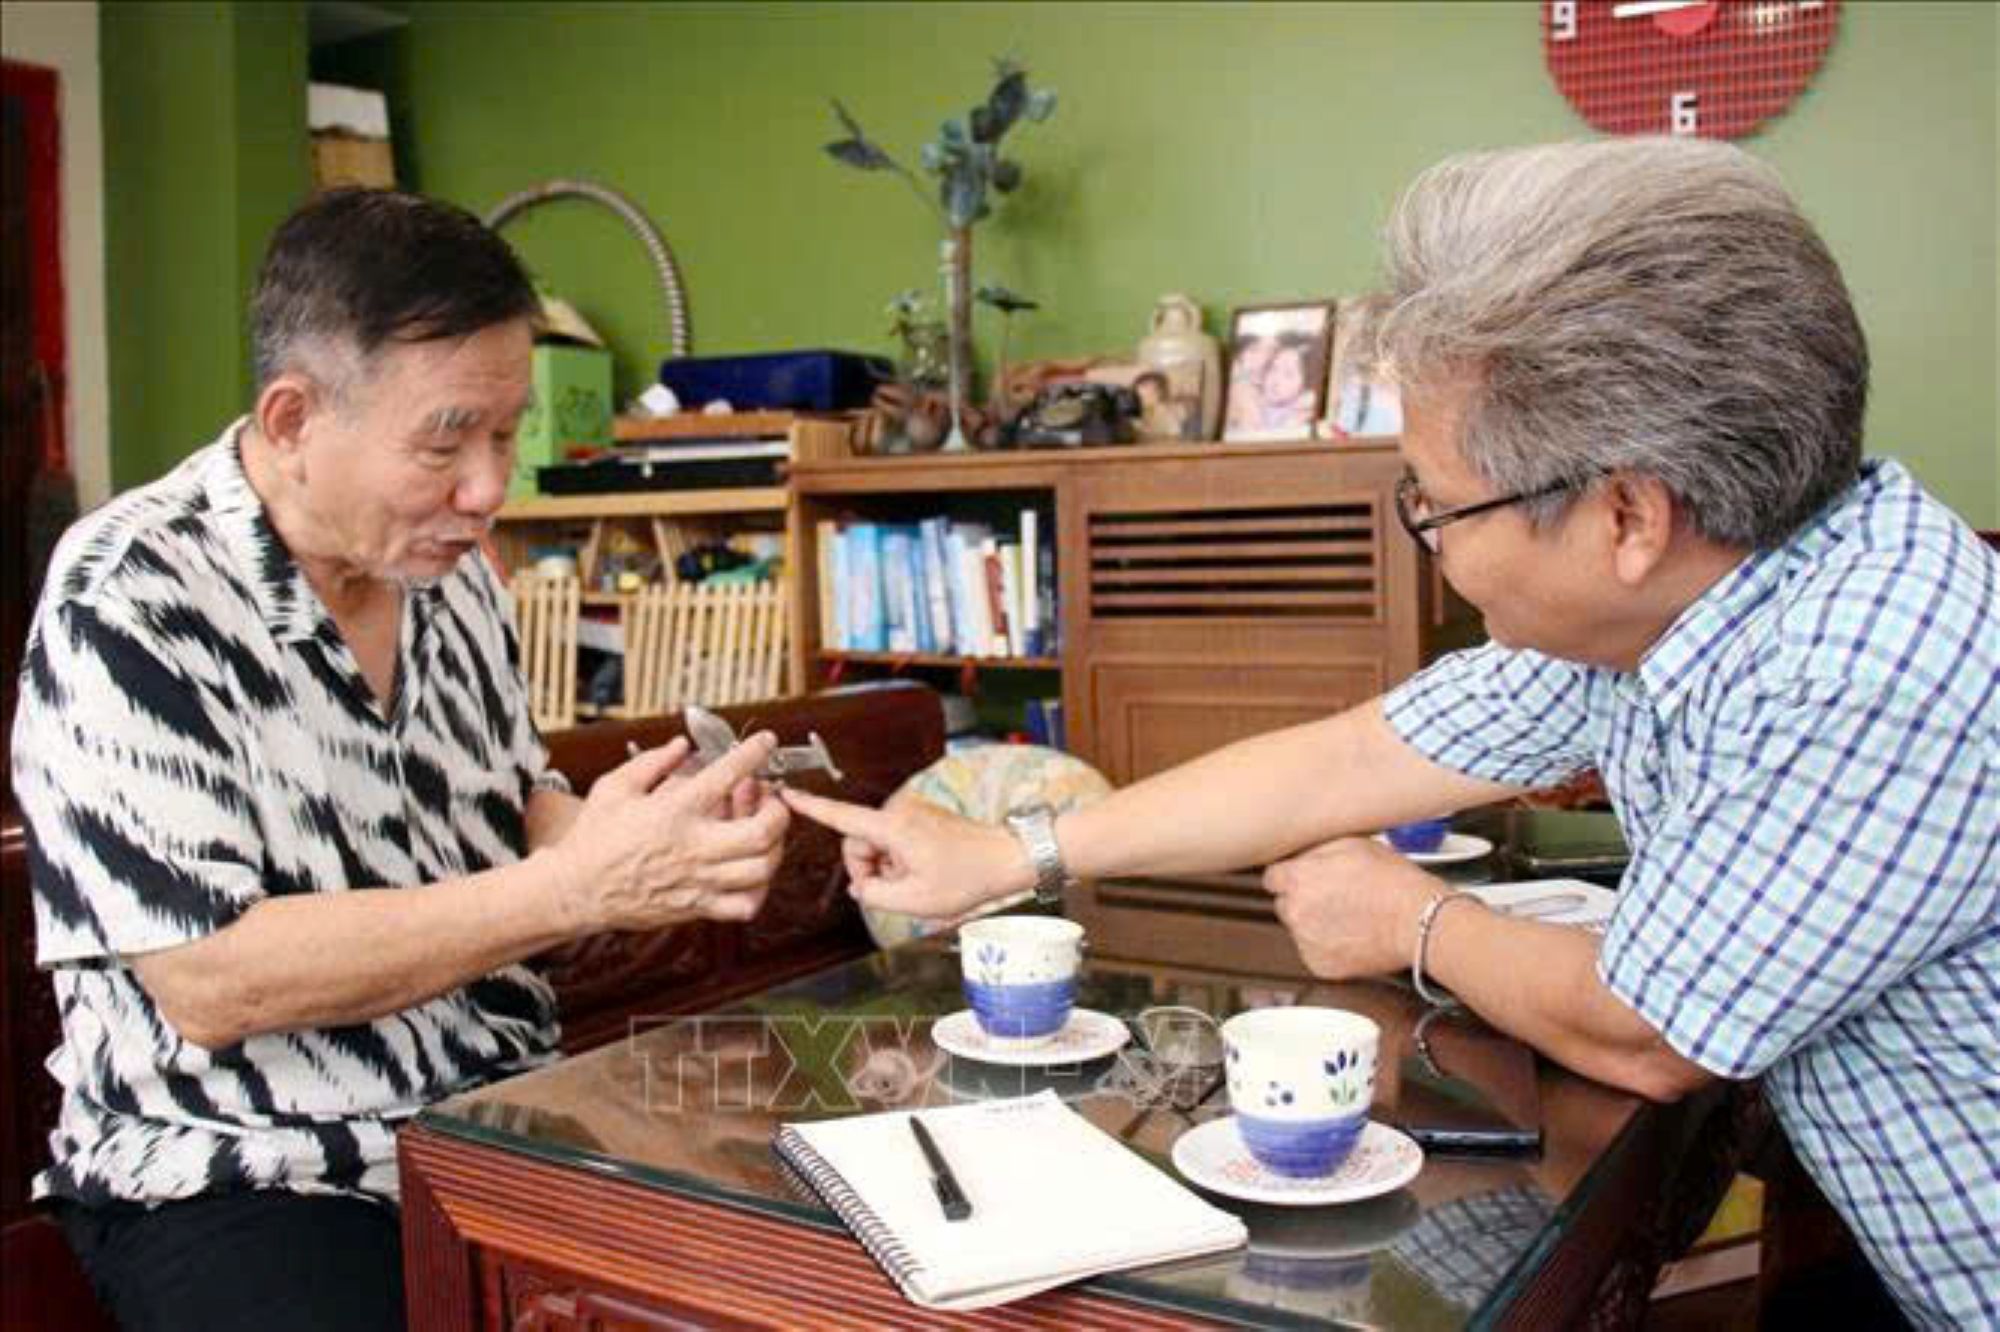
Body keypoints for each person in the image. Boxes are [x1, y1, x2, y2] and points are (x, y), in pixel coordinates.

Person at [783, 138, 1998, 1330]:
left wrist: (1413, 922)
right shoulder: (1690, 598)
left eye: (1435, 503)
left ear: (1627, 514)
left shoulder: (1860, 664)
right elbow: (1354, 757)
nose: (1431, 538)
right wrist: (1008, 855)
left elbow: (1649, 1028)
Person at [10, 188, 791, 1332]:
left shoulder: (451, 573)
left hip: (489, 1115)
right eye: (444, 441)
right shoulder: (130, 597)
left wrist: (651, 837)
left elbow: (507, 810)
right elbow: (213, 980)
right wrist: (575, 886)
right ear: (291, 420)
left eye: (505, 432)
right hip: (246, 1169)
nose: (489, 490)